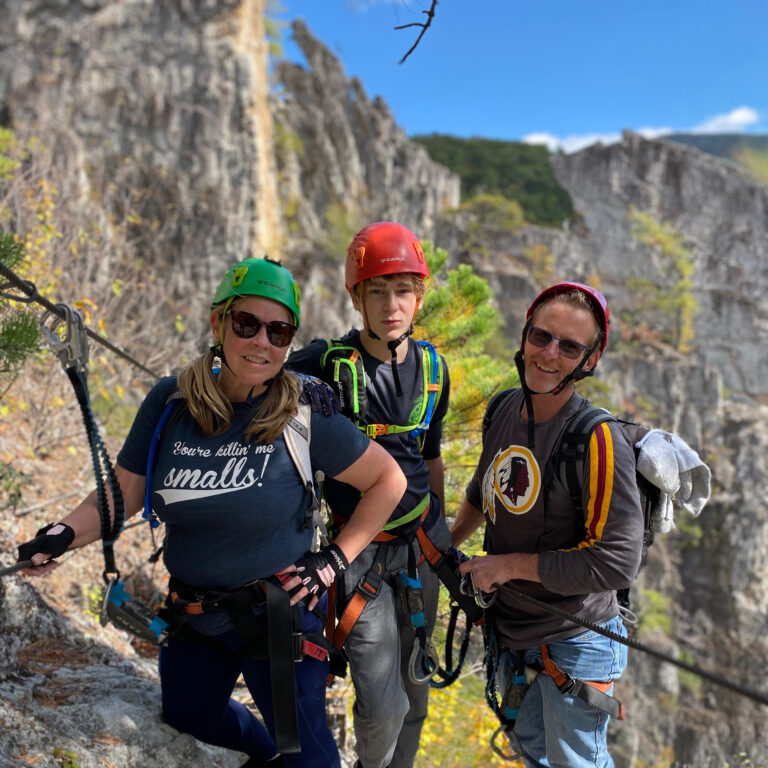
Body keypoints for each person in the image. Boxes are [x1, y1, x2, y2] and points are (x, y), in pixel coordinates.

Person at [17, 256, 407, 768]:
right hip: (196, 615)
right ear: (218, 322)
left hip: (278, 616)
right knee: (190, 716)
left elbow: (387, 480)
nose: (262, 341)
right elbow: (123, 494)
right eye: (247, 324)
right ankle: (262, 756)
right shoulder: (171, 402)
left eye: (279, 331)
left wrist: (333, 560)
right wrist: (64, 533)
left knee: (309, 758)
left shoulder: (304, 413)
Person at [452, 282, 643, 768]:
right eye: (541, 337)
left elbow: (617, 563)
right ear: (524, 336)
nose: (549, 354)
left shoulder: (597, 440)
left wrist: (507, 567)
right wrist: (442, 548)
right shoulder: (502, 409)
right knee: (533, 750)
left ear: (590, 360)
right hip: (518, 630)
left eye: (569, 346)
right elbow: (484, 491)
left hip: (577, 636)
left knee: (575, 760)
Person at [287, 221, 452, 768]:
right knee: (384, 704)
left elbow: (430, 457)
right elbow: (250, 378)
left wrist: (446, 540)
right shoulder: (324, 363)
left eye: (403, 290)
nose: (391, 305)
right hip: (357, 554)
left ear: (418, 295)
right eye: (376, 291)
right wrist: (296, 385)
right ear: (356, 296)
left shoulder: (433, 369)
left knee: (417, 694)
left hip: (422, 545)